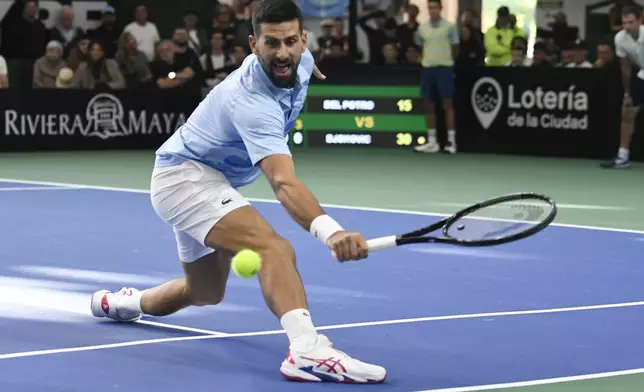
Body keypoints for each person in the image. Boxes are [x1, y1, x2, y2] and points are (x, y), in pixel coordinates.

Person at [89, 0, 387, 384]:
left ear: (304, 40)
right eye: (271, 44)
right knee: (273, 248)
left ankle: (124, 303)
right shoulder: (252, 101)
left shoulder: (302, 59)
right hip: (185, 179)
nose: (282, 53)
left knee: (205, 292)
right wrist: (332, 232)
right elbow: (282, 182)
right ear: (253, 44)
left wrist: (307, 62)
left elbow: (301, 61)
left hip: (210, 179)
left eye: (291, 42)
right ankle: (306, 351)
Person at [601, 4, 644, 169]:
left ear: (640, 19)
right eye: (624, 23)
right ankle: (623, 156)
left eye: (631, 22)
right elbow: (625, 67)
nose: (627, 27)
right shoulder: (620, 38)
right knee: (627, 111)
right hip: (642, 75)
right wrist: (627, 93)